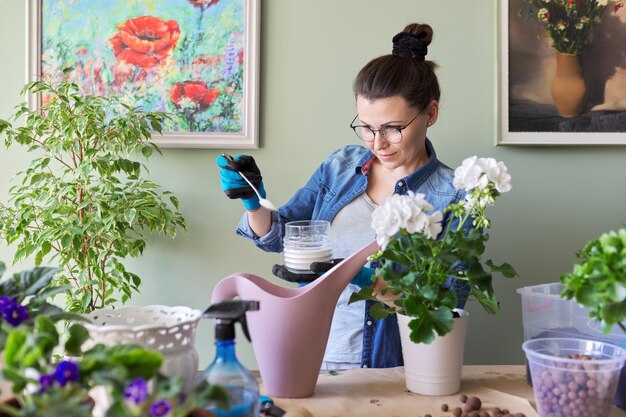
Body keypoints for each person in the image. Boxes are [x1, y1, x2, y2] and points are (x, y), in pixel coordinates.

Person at [217, 23, 469, 370]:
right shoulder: (341, 166)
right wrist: (253, 201)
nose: (377, 143)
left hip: (394, 370)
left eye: (392, 129)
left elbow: (446, 307)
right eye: (366, 127)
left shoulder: (454, 193)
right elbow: (281, 237)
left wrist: (359, 276)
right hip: (312, 358)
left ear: (431, 113)